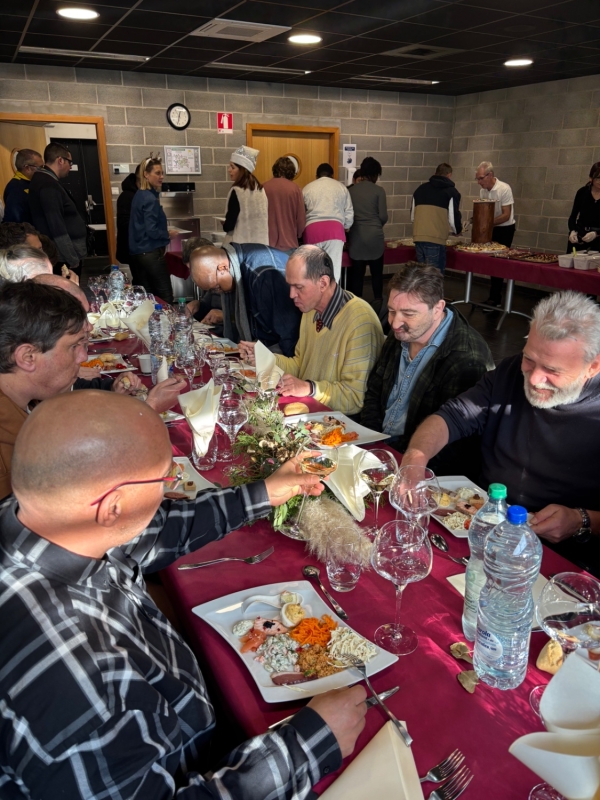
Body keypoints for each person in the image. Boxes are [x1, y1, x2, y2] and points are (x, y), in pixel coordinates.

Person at [0, 390, 367, 798]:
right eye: (165, 478)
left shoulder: (38, 519)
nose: (171, 484)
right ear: (112, 507)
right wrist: (307, 747)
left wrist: (264, 493)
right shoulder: (75, 686)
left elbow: (162, 530)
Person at [402, 290, 600, 576]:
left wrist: (582, 520)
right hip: (482, 527)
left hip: (563, 558)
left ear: (592, 367)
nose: (534, 379)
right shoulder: (510, 372)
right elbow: (451, 417)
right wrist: (415, 458)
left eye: (552, 370)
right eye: (529, 359)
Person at [0, 281, 184, 499]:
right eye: (74, 346)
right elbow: (73, 481)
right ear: (28, 357)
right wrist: (148, 410)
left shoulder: (31, 401)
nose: (84, 357)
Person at [361, 263, 493, 476]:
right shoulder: (404, 332)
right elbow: (375, 389)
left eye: (408, 313)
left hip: (422, 467)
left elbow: (451, 446)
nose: (394, 323)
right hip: (381, 449)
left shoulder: (465, 358)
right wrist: (373, 444)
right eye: (392, 311)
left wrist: (390, 458)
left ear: (438, 308)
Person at [240, 245, 384, 415]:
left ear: (323, 283)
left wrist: (309, 388)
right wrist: (264, 357)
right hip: (313, 411)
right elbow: (300, 364)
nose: (291, 294)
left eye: (299, 287)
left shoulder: (360, 322)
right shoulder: (311, 310)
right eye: (290, 286)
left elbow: (354, 398)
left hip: (340, 422)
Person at [189, 243, 300, 356]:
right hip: (264, 343)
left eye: (217, 288)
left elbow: (290, 333)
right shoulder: (236, 260)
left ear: (223, 268)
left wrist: (284, 365)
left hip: (286, 348)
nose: (218, 293)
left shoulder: (263, 276)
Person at [28, 142, 87, 271]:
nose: (70, 166)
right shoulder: (47, 185)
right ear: (60, 160)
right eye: (69, 162)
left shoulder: (47, 180)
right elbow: (56, 226)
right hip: (63, 258)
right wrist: (72, 258)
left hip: (63, 254)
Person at [129, 154, 176, 304]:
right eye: (157, 173)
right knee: (165, 296)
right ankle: (167, 319)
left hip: (138, 253)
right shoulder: (149, 198)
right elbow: (152, 230)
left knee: (148, 298)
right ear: (146, 174)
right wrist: (167, 234)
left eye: (162, 173)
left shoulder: (139, 195)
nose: (161, 177)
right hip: (150, 253)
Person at [346, 157, 388, 304]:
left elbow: (347, 216)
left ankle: (356, 305)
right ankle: (378, 303)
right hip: (375, 238)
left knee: (357, 275)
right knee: (377, 274)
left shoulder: (350, 191)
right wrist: (375, 225)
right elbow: (383, 216)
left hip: (356, 237)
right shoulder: (379, 191)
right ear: (375, 174)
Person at [302, 163, 354, 283]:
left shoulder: (307, 188)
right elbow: (349, 213)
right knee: (333, 271)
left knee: (313, 271)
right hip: (335, 231)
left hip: (313, 230)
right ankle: (332, 293)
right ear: (332, 175)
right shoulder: (341, 187)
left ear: (316, 176)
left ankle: (314, 294)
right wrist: (346, 226)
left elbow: (301, 213)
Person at [475, 161, 515, 309]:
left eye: (481, 178)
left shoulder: (504, 188)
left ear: (490, 175)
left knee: (499, 263)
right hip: (491, 228)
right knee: (491, 263)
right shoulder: (483, 191)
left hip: (505, 229)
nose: (479, 182)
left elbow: (506, 215)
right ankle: (493, 297)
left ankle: (495, 298)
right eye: (477, 179)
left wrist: (486, 223)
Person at [411, 162, 462, 276]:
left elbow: (413, 217)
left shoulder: (420, 189)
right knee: (434, 277)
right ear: (449, 175)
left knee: (422, 276)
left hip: (418, 237)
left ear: (435, 173)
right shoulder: (451, 192)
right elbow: (453, 218)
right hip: (435, 239)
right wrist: (457, 230)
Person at [223, 145, 269, 245]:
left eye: (232, 167)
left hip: (241, 247)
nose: (229, 170)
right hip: (260, 246)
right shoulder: (261, 190)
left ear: (242, 169)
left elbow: (229, 226)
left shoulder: (237, 191)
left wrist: (224, 224)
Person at [262, 156, 305, 254]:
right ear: (292, 172)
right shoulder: (295, 189)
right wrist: (299, 235)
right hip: (289, 243)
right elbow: (301, 220)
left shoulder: (263, 187)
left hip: (266, 243)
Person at [2, 148, 43, 223]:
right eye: (40, 168)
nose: (43, 171)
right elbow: (14, 221)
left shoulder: (30, 183)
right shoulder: (15, 189)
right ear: (27, 168)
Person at [567, 161, 600, 253]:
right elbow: (573, 217)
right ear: (591, 178)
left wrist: (596, 233)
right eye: (598, 178)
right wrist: (573, 230)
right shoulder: (582, 192)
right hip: (580, 237)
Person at [116, 164, 141, 264]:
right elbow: (124, 224)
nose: (161, 177)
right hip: (135, 252)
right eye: (157, 173)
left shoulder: (143, 194)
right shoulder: (127, 196)